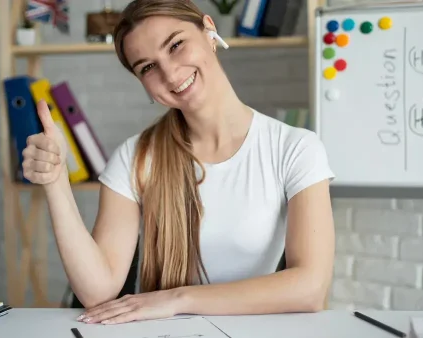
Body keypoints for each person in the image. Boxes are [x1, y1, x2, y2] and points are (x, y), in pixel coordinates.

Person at [21, 0, 335, 326]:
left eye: (175, 45)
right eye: (147, 67)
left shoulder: (295, 149)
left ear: (209, 31)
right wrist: (56, 183)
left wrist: (178, 298)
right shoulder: (135, 157)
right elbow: (97, 292)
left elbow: (310, 287)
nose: (169, 73)